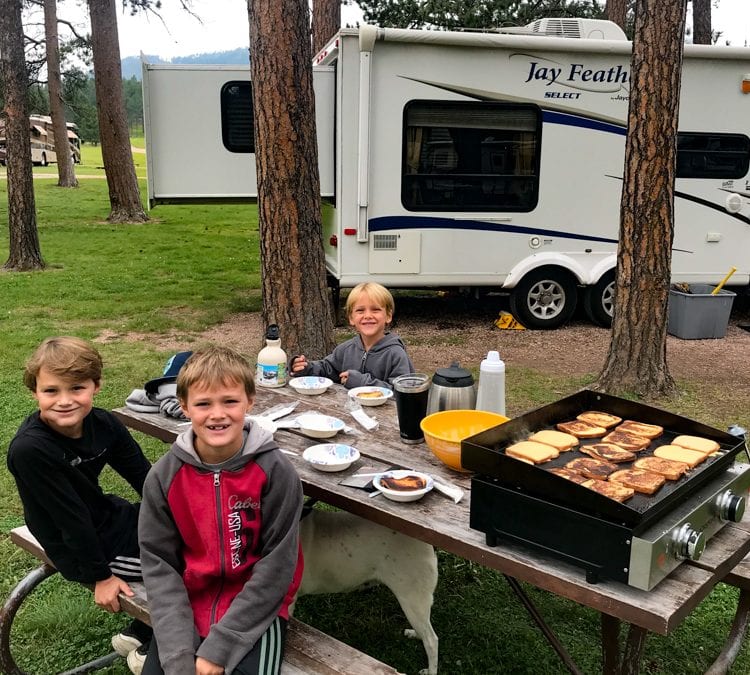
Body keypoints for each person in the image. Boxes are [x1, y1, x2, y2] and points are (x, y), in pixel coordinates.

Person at [138, 346, 304, 675]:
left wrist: (220, 648)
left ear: (250, 400)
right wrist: (177, 652)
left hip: (257, 613)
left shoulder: (276, 472)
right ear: (184, 407)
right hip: (187, 605)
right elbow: (158, 564)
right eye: (203, 404)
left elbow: (278, 567)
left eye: (230, 401)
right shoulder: (164, 477)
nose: (218, 414)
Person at [6, 336, 153, 668]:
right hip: (76, 546)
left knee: (201, 536)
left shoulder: (103, 424)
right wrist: (100, 576)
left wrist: (182, 516)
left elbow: (144, 476)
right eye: (51, 391)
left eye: (77, 388)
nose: (65, 400)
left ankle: (140, 631)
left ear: (96, 386)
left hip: (106, 516)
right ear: (35, 392)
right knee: (193, 567)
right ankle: (153, 650)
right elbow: (70, 520)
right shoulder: (31, 450)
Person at [290, 282, 413, 389]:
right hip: (349, 411)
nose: (368, 315)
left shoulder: (396, 354)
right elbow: (328, 368)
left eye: (375, 309)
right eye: (360, 310)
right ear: (351, 318)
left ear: (388, 316)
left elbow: (402, 391)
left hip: (385, 415)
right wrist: (306, 368)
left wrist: (361, 382)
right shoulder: (346, 349)